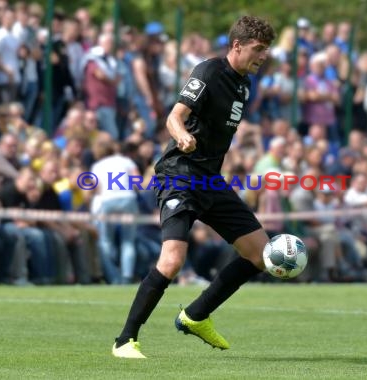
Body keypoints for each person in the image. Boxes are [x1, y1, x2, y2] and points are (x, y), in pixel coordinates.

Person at [112, 15, 276, 359]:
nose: (263, 56)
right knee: (172, 261)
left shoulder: (244, 85)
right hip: (180, 174)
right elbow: (174, 116)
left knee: (261, 254)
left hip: (210, 180)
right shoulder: (209, 71)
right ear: (237, 45)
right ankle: (125, 340)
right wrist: (182, 135)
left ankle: (196, 315)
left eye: (266, 51)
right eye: (258, 49)